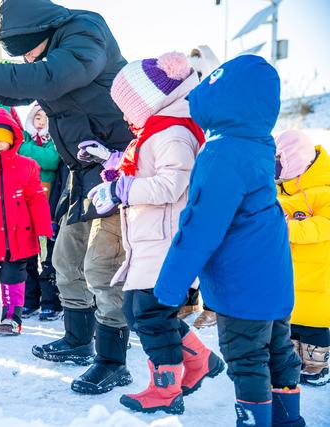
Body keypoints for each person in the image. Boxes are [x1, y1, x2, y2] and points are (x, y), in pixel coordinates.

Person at [0, 0, 134, 392]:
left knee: (104, 267)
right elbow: (23, 89)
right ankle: (78, 339)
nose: (26, 58)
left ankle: (112, 360)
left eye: (27, 49)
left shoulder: (86, 33)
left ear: (42, 32)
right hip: (81, 170)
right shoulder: (49, 53)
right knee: (65, 259)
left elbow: (49, 78)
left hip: (116, 169)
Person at [152, 55, 305, 427]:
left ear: (223, 97)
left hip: (242, 284)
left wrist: (170, 285)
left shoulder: (221, 152)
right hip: (274, 280)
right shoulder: (257, 142)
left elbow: (202, 225)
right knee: (277, 352)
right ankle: (288, 421)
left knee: (247, 358)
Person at [86, 51, 224, 413]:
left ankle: (165, 390)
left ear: (147, 102)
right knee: (141, 311)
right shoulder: (158, 130)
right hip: (150, 239)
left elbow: (170, 184)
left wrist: (122, 190)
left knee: (147, 314)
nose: (124, 115)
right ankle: (199, 361)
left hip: (165, 240)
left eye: (126, 107)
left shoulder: (173, 132)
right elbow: (146, 168)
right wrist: (112, 164)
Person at [0, 108, 52, 335]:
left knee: (13, 279)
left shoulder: (27, 166)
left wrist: (43, 226)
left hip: (18, 237)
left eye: (2, 140)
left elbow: (35, 199)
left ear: (12, 139)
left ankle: (11, 318)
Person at [276, 129, 330, 387]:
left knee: (314, 326)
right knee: (291, 323)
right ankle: (294, 361)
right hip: (290, 270)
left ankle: (318, 366)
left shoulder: (324, 190)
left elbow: (325, 224)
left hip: (318, 272)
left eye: (280, 161)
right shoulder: (281, 193)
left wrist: (290, 228)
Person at [176, 45, 222, 328]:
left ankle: (214, 305)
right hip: (185, 177)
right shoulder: (181, 103)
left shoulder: (220, 105)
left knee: (213, 241)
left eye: (201, 71)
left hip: (213, 177)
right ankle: (187, 297)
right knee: (185, 236)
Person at [19, 103, 62, 320]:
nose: (41, 121)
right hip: (25, 208)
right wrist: (37, 156)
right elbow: (21, 158)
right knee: (27, 257)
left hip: (48, 207)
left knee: (49, 259)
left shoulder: (55, 141)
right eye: (37, 117)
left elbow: (52, 160)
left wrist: (31, 155)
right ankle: (29, 300)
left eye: (45, 116)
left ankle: (50, 302)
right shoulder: (24, 139)